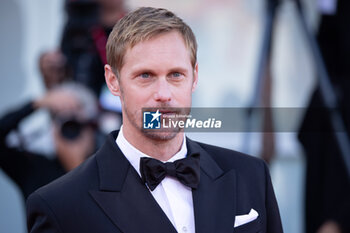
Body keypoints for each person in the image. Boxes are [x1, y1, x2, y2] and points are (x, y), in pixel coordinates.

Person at [26, 7, 283, 233]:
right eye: (146, 75)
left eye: (175, 75)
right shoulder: (61, 207)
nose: (163, 95)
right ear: (113, 81)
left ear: (194, 77)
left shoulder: (251, 176)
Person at [0, 82, 98, 199]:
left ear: (90, 128)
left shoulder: (107, 163)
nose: (70, 131)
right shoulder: (34, 170)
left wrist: (79, 163)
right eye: (64, 124)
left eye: (75, 124)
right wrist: (38, 103)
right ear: (53, 129)